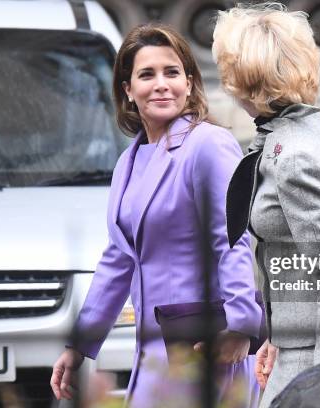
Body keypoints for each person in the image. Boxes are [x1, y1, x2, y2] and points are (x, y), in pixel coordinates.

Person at [50, 23, 262, 407]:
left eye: (172, 72)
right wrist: (80, 345)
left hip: (205, 346)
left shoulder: (207, 145)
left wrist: (240, 324)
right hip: (151, 353)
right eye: (147, 75)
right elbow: (118, 259)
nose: (162, 84)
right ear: (128, 90)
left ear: (189, 82)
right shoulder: (127, 163)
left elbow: (232, 239)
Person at [212, 3, 320, 407]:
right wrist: (277, 335)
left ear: (243, 78)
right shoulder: (309, 132)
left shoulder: (294, 156)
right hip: (302, 343)